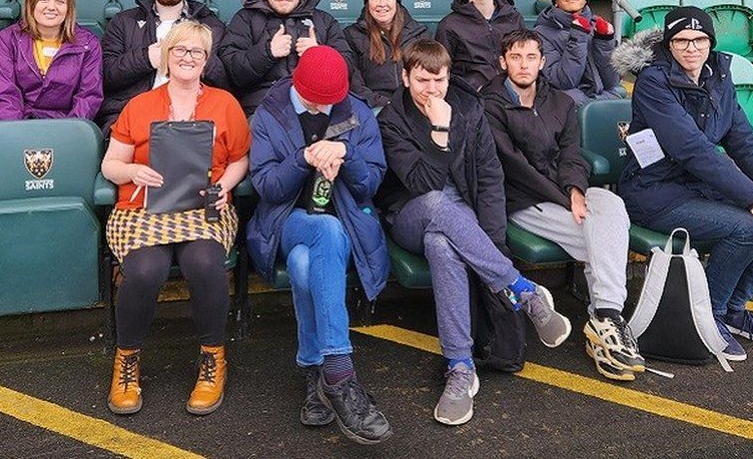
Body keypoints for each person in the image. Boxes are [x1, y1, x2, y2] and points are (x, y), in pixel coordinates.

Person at [377, 39, 571, 426]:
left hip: (459, 217)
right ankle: (522, 289)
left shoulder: (470, 108)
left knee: (443, 246)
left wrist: (492, 239)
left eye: (439, 80)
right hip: (409, 212)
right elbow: (422, 182)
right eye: (422, 80)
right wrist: (439, 128)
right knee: (435, 206)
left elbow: (489, 177)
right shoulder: (391, 119)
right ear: (405, 77)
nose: (431, 89)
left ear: (449, 77)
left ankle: (460, 367)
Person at [613, 7, 753, 361]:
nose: (691, 48)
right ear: (668, 45)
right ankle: (708, 318)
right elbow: (692, 150)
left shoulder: (719, 77)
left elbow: (743, 142)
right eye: (681, 40)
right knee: (747, 228)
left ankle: (732, 309)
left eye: (700, 40)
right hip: (654, 191)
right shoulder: (653, 81)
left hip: (698, 187)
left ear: (711, 42)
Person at [101, 21, 250, 416]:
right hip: (143, 209)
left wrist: (223, 187)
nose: (187, 58)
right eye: (180, 50)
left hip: (205, 209)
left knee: (205, 264)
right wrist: (132, 172)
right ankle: (127, 362)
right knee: (145, 271)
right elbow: (111, 165)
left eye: (196, 52)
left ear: (206, 60)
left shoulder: (225, 104)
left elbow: (239, 160)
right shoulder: (139, 105)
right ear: (166, 56)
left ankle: (212, 359)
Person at [247, 46, 392, 445]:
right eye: (316, 101)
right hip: (286, 220)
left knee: (303, 265)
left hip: (345, 218)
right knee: (319, 233)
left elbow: (369, 186)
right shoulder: (271, 112)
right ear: (297, 85)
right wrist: (304, 158)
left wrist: (347, 153)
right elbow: (267, 187)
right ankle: (341, 374)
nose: (325, 108)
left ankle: (315, 369)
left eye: (332, 102)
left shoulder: (356, 110)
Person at [482, 29, 644, 382]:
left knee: (611, 205)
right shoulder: (490, 104)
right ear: (503, 61)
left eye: (530, 57)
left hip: (564, 192)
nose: (523, 65)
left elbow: (571, 153)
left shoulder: (560, 101)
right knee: (603, 237)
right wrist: (565, 197)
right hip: (523, 198)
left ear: (542, 61)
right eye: (515, 57)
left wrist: (575, 188)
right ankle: (609, 327)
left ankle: (605, 315)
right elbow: (513, 166)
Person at [96, 0, 228, 135]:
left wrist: (196, 58)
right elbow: (105, 76)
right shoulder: (124, 22)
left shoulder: (209, 24)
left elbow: (226, 81)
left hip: (194, 114)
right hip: (133, 112)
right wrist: (146, 58)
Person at [218, 0, 357, 115]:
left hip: (316, 105)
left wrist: (318, 54)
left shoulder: (324, 21)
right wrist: (267, 52)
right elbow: (233, 72)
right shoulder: (245, 19)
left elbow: (347, 68)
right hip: (263, 106)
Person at [0, 0, 103, 120]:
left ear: (69, 8)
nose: (51, 7)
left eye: (60, 2)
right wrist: (16, 130)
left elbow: (88, 96)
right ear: (31, 3)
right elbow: (6, 94)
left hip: (68, 125)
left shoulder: (89, 44)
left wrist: (70, 130)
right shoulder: (7, 39)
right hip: (21, 123)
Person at [435, 0, 524, 91]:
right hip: (472, 98)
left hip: (511, 96)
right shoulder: (449, 25)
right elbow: (441, 72)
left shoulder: (514, 18)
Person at [344, 0, 430, 108]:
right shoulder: (352, 35)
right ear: (367, 3)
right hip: (374, 108)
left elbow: (428, 78)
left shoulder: (420, 34)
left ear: (397, 2)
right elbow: (354, 84)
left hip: (413, 106)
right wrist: (386, 104)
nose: (381, 3)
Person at [534, 0, 624, 107]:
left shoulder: (597, 25)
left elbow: (611, 81)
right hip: (565, 99)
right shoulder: (540, 33)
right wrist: (578, 36)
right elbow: (564, 81)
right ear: (555, 2)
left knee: (618, 92)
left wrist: (604, 42)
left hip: (597, 94)